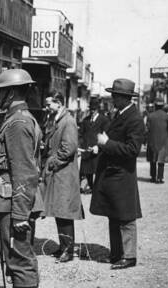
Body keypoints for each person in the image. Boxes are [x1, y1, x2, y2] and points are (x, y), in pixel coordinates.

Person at [0, 69, 43, 288]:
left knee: (20, 262)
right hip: (9, 201)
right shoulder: (16, 120)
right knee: (15, 259)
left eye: (0, 91)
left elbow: (24, 173)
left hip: (14, 205)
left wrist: (20, 214)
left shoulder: (18, 123)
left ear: (11, 92)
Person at [90, 79, 143, 270]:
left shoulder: (134, 118)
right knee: (114, 214)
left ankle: (129, 256)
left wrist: (106, 144)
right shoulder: (121, 114)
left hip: (122, 174)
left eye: (115, 95)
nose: (112, 98)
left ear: (124, 97)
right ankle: (116, 254)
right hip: (113, 173)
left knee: (125, 216)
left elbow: (132, 149)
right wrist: (101, 146)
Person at [41, 91, 84, 263]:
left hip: (64, 175)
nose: (46, 107)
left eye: (49, 103)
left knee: (64, 213)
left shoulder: (68, 121)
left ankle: (68, 250)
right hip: (59, 174)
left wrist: (52, 162)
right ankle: (64, 246)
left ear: (58, 103)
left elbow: (69, 149)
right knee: (59, 211)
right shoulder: (58, 119)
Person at [79, 99, 110, 193]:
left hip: (97, 149)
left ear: (98, 109)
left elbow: (106, 135)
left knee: (97, 169)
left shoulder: (104, 120)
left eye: (94, 109)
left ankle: (97, 188)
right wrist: (81, 146)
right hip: (86, 149)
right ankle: (89, 186)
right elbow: (81, 134)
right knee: (87, 169)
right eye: (91, 109)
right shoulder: (85, 120)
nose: (92, 111)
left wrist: (97, 146)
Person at [146, 99, 168, 183]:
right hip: (163, 141)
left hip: (152, 140)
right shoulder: (166, 116)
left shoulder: (150, 116)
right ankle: (160, 178)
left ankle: (153, 177)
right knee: (161, 160)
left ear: (155, 106)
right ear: (163, 106)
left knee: (153, 160)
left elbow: (147, 129)